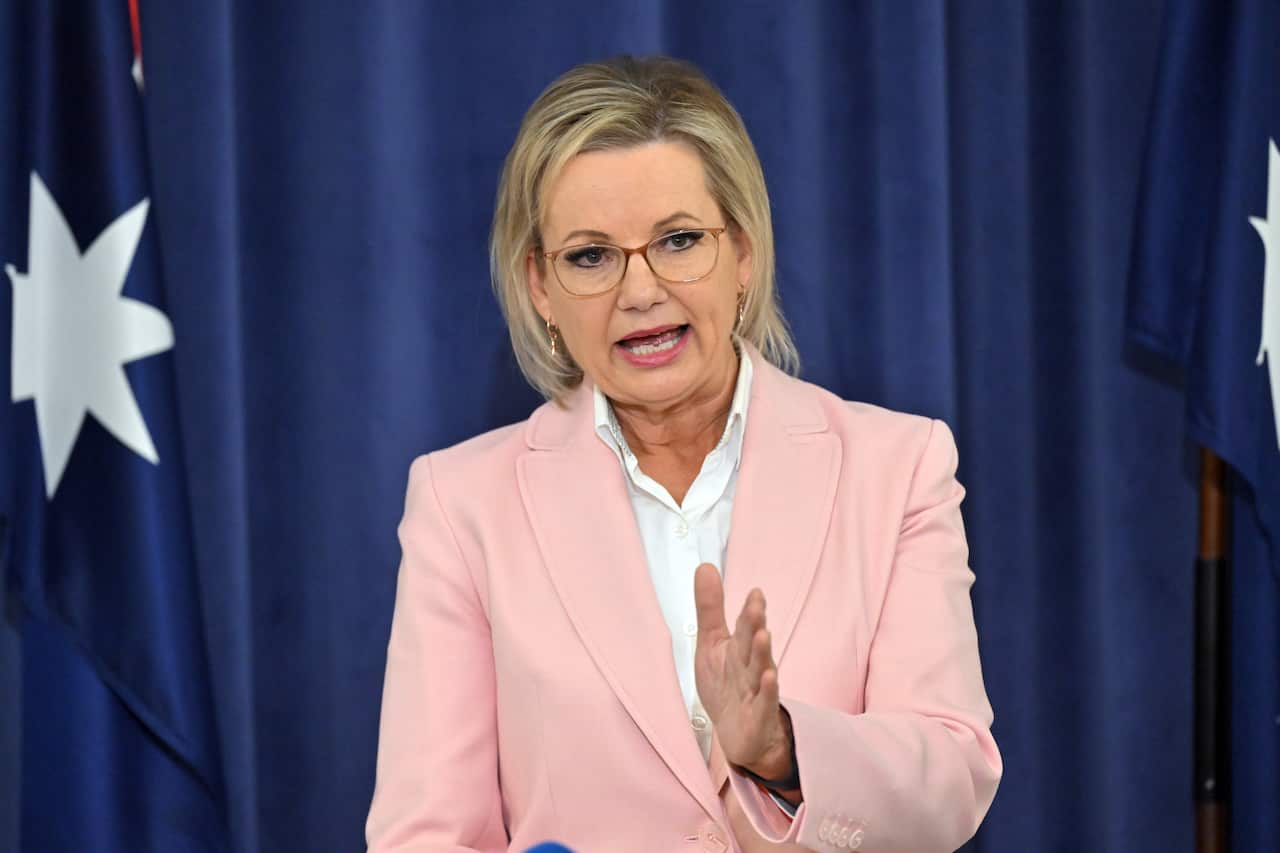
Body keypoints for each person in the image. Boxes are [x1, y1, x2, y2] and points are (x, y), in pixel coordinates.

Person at [366, 55, 1002, 853]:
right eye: (591, 255)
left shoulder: (897, 466)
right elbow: (422, 835)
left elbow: (952, 780)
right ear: (540, 288)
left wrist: (780, 750)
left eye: (677, 239)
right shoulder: (461, 506)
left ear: (741, 253)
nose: (639, 291)